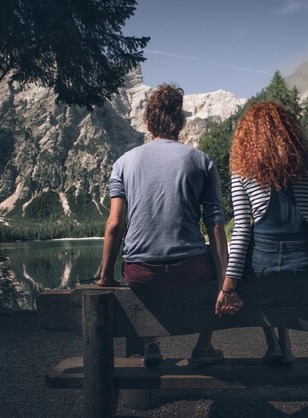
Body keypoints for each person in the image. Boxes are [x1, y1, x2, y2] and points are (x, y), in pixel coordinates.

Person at [97, 84, 228, 367]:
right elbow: (216, 225)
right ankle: (204, 345)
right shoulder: (202, 161)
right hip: (190, 269)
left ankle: (150, 343)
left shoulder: (123, 163)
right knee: (209, 260)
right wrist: (223, 281)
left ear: (147, 123)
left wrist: (106, 275)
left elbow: (115, 226)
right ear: (180, 123)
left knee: (135, 265)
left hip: (140, 273)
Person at [215, 101, 308, 364]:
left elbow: (241, 229)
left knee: (251, 273)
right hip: (306, 267)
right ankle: (285, 345)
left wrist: (228, 284)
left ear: (248, 136)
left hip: (263, 269)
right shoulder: (307, 169)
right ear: (290, 133)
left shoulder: (243, 172)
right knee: (281, 274)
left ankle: (273, 344)